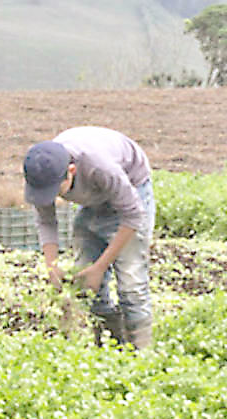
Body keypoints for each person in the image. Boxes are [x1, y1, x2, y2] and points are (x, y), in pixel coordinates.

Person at [23, 127, 154, 348]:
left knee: (131, 283)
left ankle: (141, 355)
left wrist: (100, 267)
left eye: (56, 189)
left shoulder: (100, 167)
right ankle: (109, 343)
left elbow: (133, 216)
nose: (51, 196)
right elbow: (46, 220)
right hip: (95, 194)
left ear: (71, 171)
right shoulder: (42, 172)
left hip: (132, 189)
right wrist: (51, 266)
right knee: (86, 280)